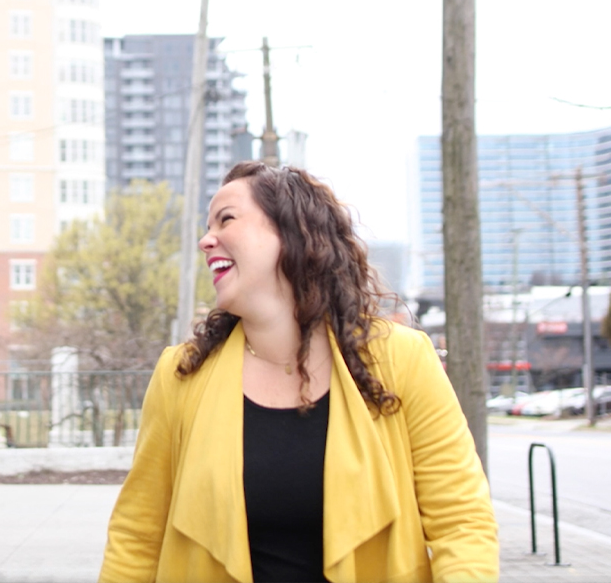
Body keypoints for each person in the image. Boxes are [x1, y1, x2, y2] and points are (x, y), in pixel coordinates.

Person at [99, 162, 498, 583]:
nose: (205, 240)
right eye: (206, 225)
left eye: (226, 219)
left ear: (292, 233)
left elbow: (463, 524)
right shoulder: (180, 375)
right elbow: (137, 537)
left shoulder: (403, 360)